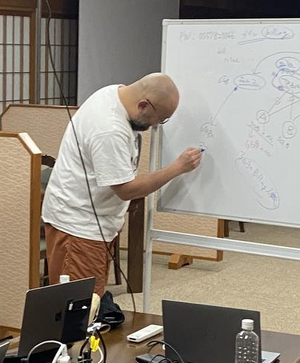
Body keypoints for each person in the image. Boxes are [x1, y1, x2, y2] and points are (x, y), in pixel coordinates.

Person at [41, 73, 204, 296]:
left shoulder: (113, 94)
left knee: (91, 300)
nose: (156, 125)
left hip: (89, 221)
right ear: (143, 105)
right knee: (78, 305)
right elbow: (126, 189)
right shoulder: (109, 129)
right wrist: (177, 168)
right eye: (159, 119)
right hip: (78, 227)